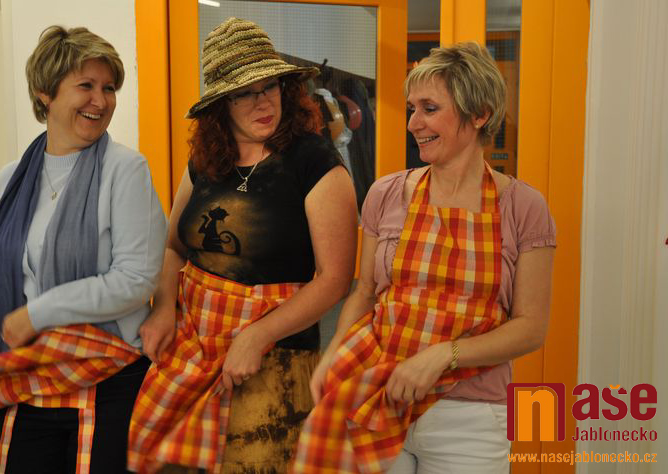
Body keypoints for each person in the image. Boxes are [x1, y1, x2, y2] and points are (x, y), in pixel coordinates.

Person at [292, 42, 556, 473]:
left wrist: (442, 356)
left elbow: (531, 328)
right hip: (377, 394)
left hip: (468, 418)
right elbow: (364, 294)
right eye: (412, 109)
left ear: (480, 114)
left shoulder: (523, 207)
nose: (414, 123)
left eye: (429, 109)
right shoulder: (386, 193)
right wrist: (334, 355)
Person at [127, 17, 357, 473]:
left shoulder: (314, 161)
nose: (263, 101)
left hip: (273, 361)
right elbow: (173, 247)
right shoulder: (206, 160)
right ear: (220, 105)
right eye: (244, 93)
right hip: (191, 349)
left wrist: (257, 336)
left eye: (269, 86)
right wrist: (164, 307)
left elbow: (334, 279)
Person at [0, 25, 166, 473]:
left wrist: (37, 314)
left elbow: (135, 280)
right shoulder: (13, 178)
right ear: (45, 93)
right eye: (86, 85)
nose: (101, 101)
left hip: (108, 382)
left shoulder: (125, 170)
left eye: (109, 88)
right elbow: (25, 281)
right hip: (29, 378)